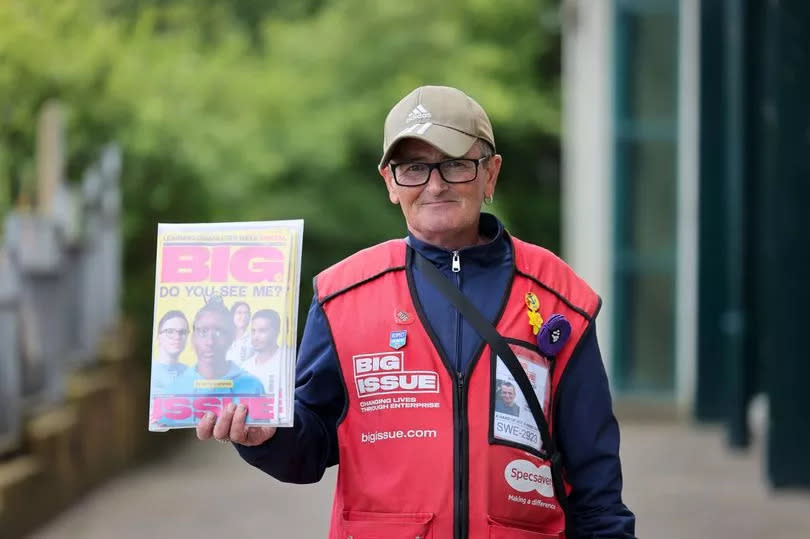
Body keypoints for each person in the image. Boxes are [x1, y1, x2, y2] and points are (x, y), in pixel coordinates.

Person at [196, 86, 636, 538]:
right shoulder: (341, 296)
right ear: (389, 181)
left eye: (456, 164)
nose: (435, 184)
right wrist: (265, 437)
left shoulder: (560, 299)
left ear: (491, 174)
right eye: (414, 168)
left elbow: (596, 486)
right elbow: (309, 450)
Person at [169, 298, 264, 395]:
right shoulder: (176, 388)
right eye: (203, 331)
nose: (210, 342)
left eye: (219, 332)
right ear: (193, 338)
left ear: (231, 338)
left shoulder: (252, 387)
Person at [242, 309, 285, 392]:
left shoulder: (287, 364)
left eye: (262, 331)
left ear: (277, 332)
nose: (255, 336)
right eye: (253, 331)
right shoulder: (245, 367)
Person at [150, 310, 190, 393]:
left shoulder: (191, 373)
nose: (177, 337)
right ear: (158, 336)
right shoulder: (150, 372)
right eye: (170, 331)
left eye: (182, 332)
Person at [226, 301, 254, 365]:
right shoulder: (224, 339)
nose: (243, 316)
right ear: (232, 316)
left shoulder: (253, 339)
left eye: (246, 313)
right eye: (239, 313)